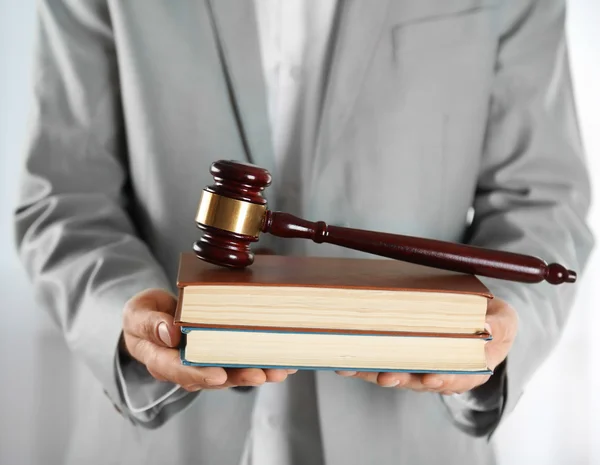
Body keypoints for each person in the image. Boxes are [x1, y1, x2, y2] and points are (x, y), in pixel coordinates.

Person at [13, 1, 593, 464]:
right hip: (159, 439)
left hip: (409, 439)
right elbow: (65, 197)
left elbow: (541, 198)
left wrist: (499, 321)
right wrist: (125, 315)